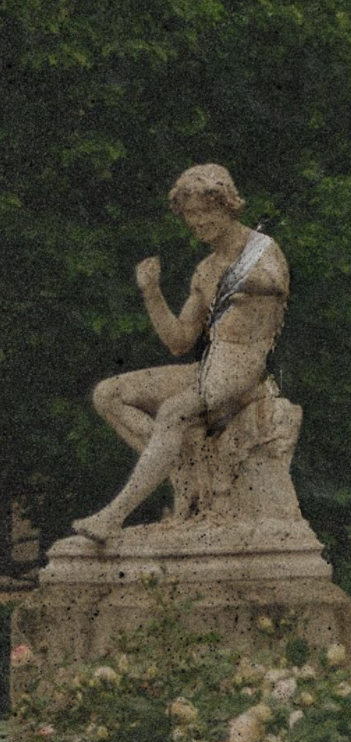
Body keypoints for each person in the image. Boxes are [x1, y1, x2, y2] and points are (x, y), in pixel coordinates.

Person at [71, 164, 289, 543]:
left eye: (206, 214)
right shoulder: (205, 270)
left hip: (246, 369)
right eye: (192, 218)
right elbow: (178, 341)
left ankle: (113, 516)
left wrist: (246, 282)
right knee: (108, 394)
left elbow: (273, 282)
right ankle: (181, 469)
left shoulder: (260, 249)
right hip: (209, 367)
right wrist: (151, 292)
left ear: (226, 205)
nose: (199, 224)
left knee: (173, 411)